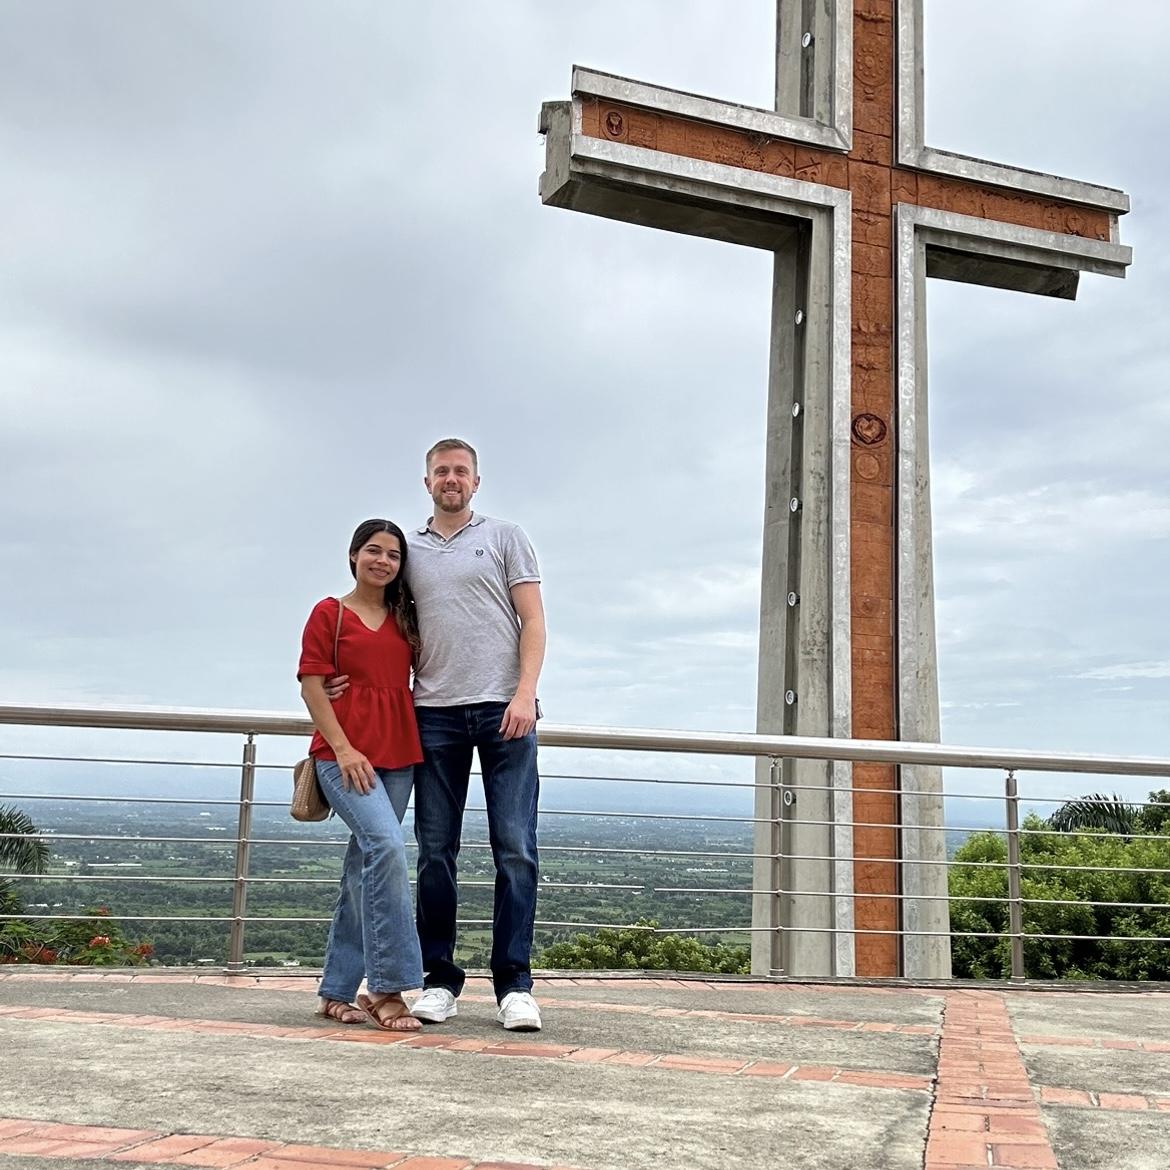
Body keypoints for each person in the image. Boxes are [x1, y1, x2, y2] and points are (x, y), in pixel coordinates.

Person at [328, 439, 547, 1031]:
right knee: (435, 854)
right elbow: (378, 616)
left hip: (505, 711)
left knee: (516, 849)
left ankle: (514, 986)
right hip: (433, 714)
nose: (451, 479)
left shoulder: (505, 536)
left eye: (461, 471)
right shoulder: (409, 550)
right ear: (427, 482)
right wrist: (343, 677)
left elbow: (533, 618)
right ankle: (439, 980)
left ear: (476, 481)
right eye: (441, 471)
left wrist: (525, 693)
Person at [298, 518, 424, 1032]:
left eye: (393, 555)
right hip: (342, 756)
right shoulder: (329, 613)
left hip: (399, 754)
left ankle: (335, 991)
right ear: (353, 555)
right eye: (373, 550)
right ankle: (387, 988)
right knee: (388, 847)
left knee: (363, 868)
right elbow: (311, 686)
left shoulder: (406, 617)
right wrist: (345, 749)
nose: (383, 561)